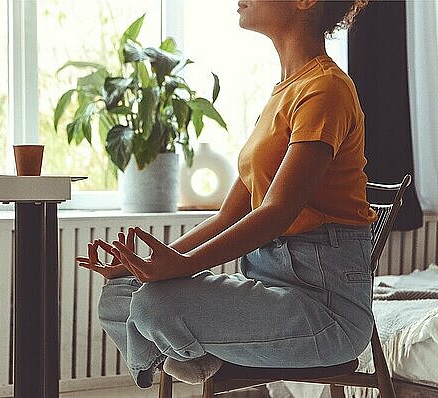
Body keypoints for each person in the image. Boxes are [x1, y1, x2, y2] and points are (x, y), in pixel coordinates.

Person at [76, 0, 374, 388]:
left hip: (325, 313)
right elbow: (226, 217)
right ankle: (192, 357)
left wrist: (180, 268)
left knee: (153, 305)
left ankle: (188, 353)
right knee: (120, 294)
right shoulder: (284, 92)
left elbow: (277, 212)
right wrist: (148, 264)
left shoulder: (326, 90)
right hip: (269, 290)